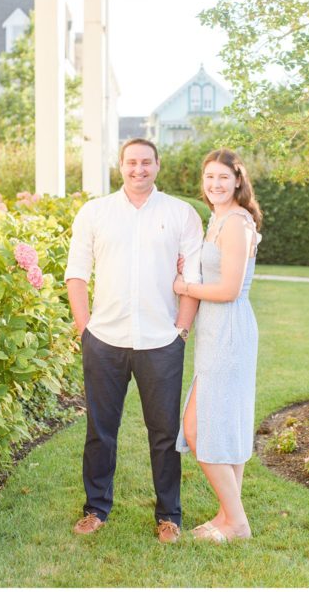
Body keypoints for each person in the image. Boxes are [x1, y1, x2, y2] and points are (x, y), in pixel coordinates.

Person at [64, 138, 203, 543]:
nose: (138, 169)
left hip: (161, 341)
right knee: (100, 430)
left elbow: (191, 279)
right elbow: (76, 272)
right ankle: (95, 508)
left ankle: (169, 515)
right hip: (104, 339)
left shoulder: (181, 214)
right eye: (131, 162)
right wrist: (83, 326)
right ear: (120, 166)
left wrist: (181, 330)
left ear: (157, 165)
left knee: (163, 433)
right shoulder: (96, 212)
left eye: (146, 162)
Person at [173, 149, 262, 543]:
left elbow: (228, 289)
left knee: (199, 428)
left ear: (238, 180)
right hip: (214, 331)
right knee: (223, 423)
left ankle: (238, 523)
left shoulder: (238, 223)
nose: (215, 184)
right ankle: (228, 515)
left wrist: (185, 287)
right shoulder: (217, 219)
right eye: (209, 177)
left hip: (229, 331)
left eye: (223, 177)